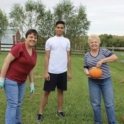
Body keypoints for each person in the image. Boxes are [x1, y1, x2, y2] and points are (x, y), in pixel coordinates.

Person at [0, 29, 38, 124]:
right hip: (11, 79)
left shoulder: (34, 53)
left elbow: (31, 68)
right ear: (26, 38)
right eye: (31, 37)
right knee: (13, 104)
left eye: (35, 37)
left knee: (18, 104)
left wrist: (32, 83)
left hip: (21, 81)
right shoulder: (19, 47)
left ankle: (16, 122)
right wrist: (1, 78)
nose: (33, 39)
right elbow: (7, 61)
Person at [37, 20, 72, 122]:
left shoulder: (67, 41)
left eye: (62, 27)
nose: (60, 29)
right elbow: (46, 57)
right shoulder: (49, 41)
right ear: (55, 28)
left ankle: (59, 111)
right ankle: (40, 113)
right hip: (52, 71)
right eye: (58, 27)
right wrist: (46, 72)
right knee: (46, 92)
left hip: (62, 72)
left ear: (64, 29)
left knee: (60, 92)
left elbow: (68, 57)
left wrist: (69, 71)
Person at [84, 34, 118, 124]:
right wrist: (87, 72)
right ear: (89, 44)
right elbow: (85, 67)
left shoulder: (104, 51)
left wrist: (102, 61)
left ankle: (112, 122)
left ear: (99, 43)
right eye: (91, 42)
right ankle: (98, 122)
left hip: (106, 80)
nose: (94, 44)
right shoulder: (87, 55)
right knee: (95, 104)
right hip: (93, 82)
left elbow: (115, 57)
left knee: (109, 103)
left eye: (95, 42)